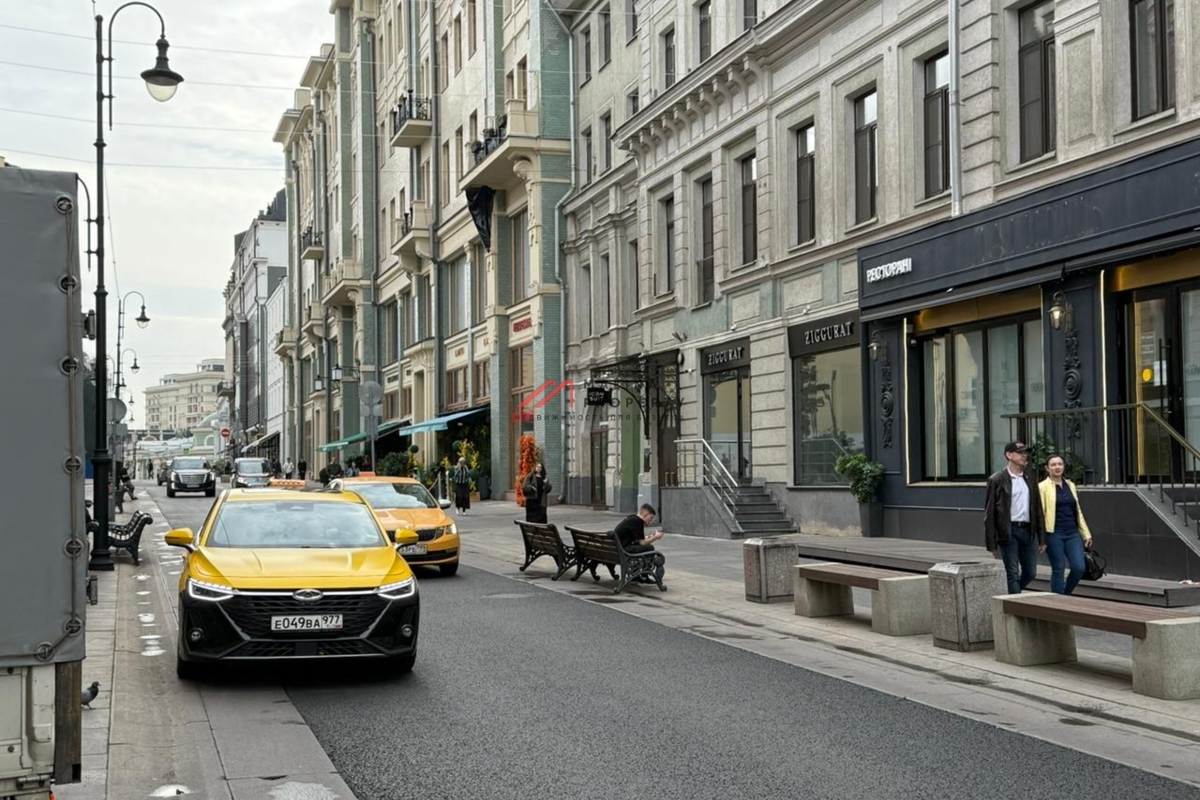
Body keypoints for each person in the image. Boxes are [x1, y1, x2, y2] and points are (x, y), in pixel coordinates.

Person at [984, 441, 1045, 594]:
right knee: (1012, 572)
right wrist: (991, 543)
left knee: (1030, 573)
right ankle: (1014, 602)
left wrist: (1041, 538)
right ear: (1009, 455)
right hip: (1008, 530)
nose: (1024, 456)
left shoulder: (1030, 477)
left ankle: (1010, 595)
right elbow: (990, 513)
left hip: (1027, 530)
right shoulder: (997, 479)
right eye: (1020, 453)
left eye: (1025, 453)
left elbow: (1037, 509)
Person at [1039, 453, 1092, 595]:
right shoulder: (1042, 487)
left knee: (1079, 567)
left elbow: (1077, 510)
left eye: (1060, 464)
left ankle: (1064, 595)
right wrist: (1041, 539)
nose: (1057, 467)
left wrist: (1086, 533)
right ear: (1047, 468)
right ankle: (1057, 601)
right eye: (1053, 465)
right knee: (1058, 568)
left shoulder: (1070, 485)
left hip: (1072, 532)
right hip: (1053, 533)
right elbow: (1040, 514)